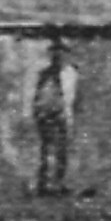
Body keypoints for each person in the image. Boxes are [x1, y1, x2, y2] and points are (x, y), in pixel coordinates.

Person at [29, 39, 80, 196]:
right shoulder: (44, 74)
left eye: (62, 52)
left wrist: (71, 113)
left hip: (65, 114)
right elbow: (38, 95)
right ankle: (45, 183)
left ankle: (60, 183)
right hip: (48, 115)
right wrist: (38, 111)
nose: (58, 55)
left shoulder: (72, 73)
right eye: (55, 52)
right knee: (48, 149)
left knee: (63, 151)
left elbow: (75, 96)